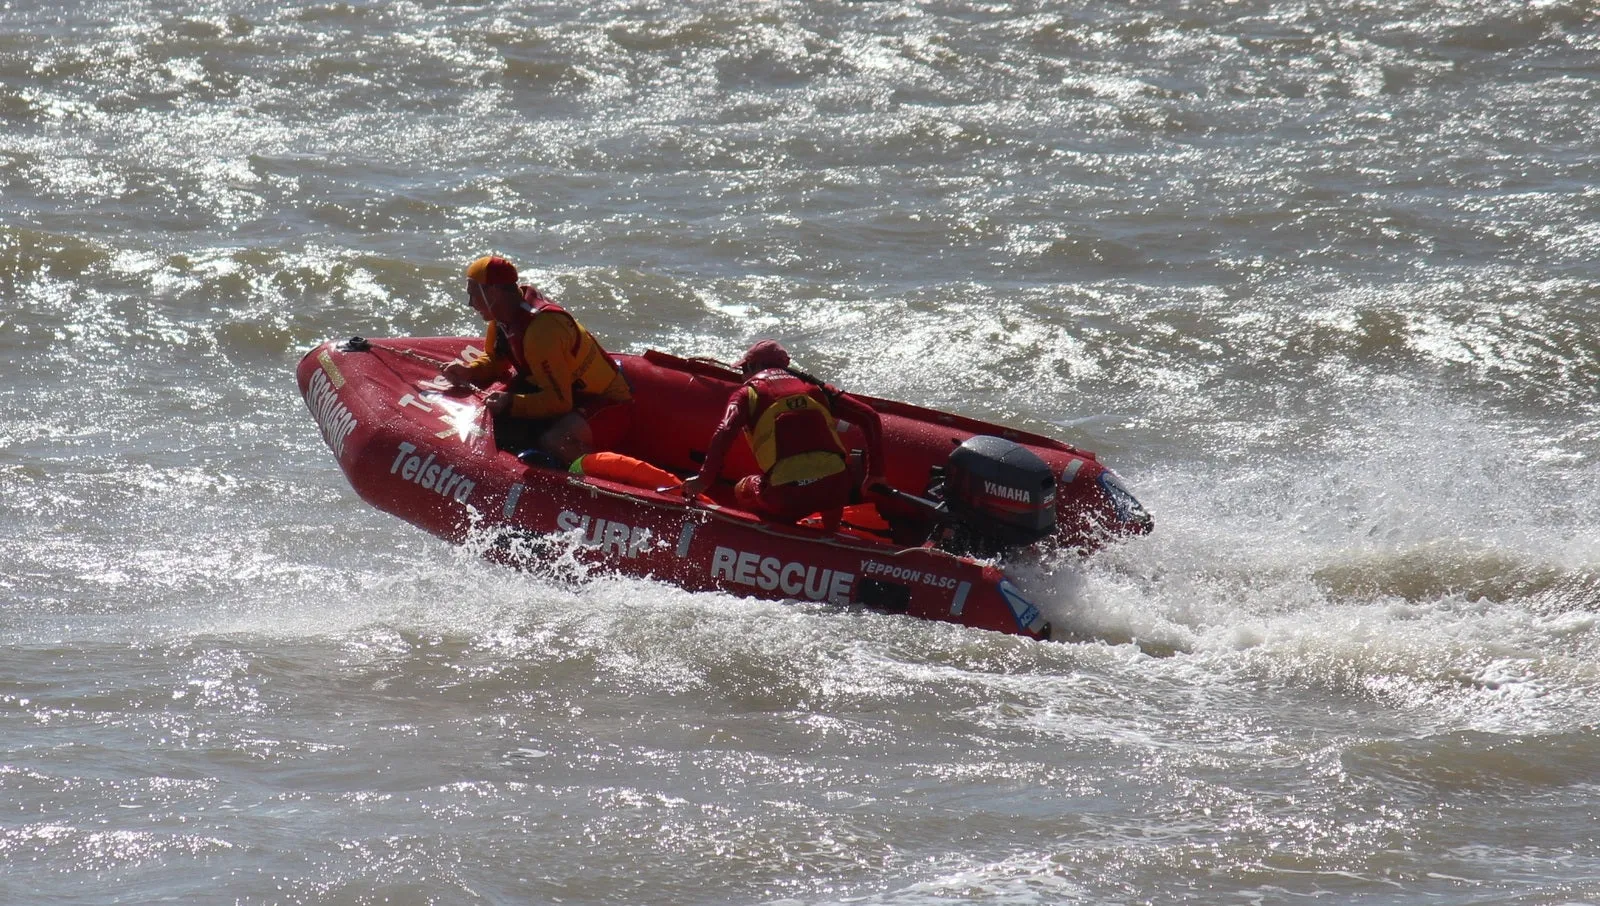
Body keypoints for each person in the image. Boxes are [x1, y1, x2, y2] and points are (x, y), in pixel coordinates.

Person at [443, 255, 632, 464]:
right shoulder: (503, 318)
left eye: (473, 295)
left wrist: (512, 403)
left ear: (493, 291)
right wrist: (470, 371)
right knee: (499, 425)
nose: (470, 303)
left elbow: (560, 402)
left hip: (605, 401)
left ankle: (596, 486)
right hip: (567, 393)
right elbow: (496, 360)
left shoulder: (541, 332)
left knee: (555, 440)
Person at [680, 340, 885, 530]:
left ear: (753, 368)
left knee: (741, 490)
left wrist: (704, 479)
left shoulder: (747, 393)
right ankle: (832, 534)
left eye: (744, 369)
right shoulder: (816, 388)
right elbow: (870, 417)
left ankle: (770, 536)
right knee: (831, 485)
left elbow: (724, 431)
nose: (742, 376)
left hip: (787, 495)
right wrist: (875, 474)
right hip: (837, 488)